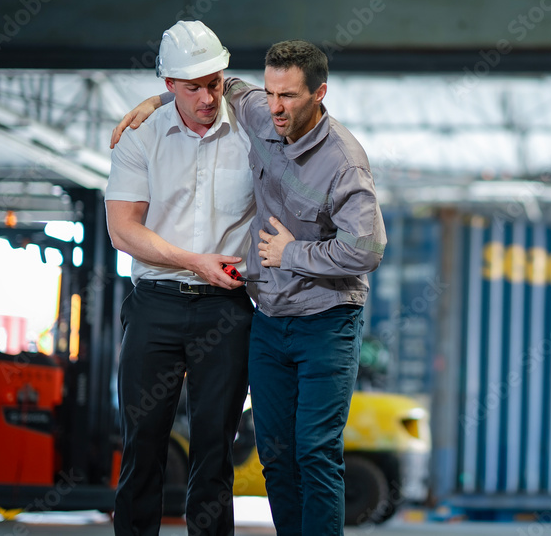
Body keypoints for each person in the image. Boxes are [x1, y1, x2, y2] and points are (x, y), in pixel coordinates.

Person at [113, 39, 386, 535]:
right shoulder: (256, 112)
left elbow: (367, 249)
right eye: (271, 93)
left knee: (311, 452)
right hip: (266, 319)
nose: (276, 106)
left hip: (320, 320)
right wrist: (159, 99)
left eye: (289, 96)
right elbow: (219, 87)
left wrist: (292, 254)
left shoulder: (340, 160)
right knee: (273, 458)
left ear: (320, 94)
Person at [105, 20, 255, 536]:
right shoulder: (140, 137)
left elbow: (294, 104)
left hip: (226, 308)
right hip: (156, 305)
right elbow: (123, 230)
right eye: (193, 88)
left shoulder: (252, 130)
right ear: (169, 84)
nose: (208, 98)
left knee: (215, 451)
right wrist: (194, 261)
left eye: (215, 83)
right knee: (143, 445)